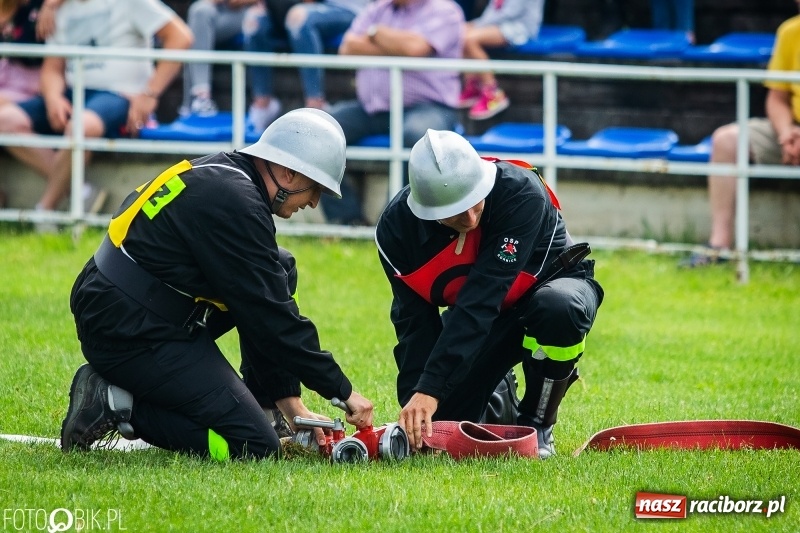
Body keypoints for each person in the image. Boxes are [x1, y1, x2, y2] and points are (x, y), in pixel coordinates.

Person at [61, 108, 375, 460]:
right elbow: (273, 320)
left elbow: (263, 306)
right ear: (288, 173)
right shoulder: (235, 203)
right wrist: (344, 392)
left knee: (279, 268)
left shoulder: (227, 177)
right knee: (254, 446)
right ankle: (112, 401)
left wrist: (290, 405)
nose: (315, 201)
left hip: (132, 307)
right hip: (126, 328)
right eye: (315, 188)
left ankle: (265, 406)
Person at [375, 129, 604, 458]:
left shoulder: (520, 192)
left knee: (558, 308)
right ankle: (499, 395)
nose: (469, 218)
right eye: (455, 212)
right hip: (486, 314)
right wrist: (417, 404)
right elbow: (414, 322)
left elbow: (481, 299)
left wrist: (431, 387)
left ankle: (538, 423)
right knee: (444, 420)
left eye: (474, 202)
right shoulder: (395, 232)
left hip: (549, 289)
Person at [0, 0, 192, 219]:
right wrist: (53, 97)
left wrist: (150, 94)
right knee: (5, 120)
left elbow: (181, 37)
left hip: (121, 95)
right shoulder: (60, 9)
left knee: (81, 125)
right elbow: (52, 69)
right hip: (74, 93)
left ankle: (46, 211)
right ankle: (80, 192)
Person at [320, 0, 465, 226]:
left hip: (429, 107)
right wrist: (396, 45)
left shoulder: (445, 10)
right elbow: (347, 48)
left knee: (418, 137)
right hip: (373, 109)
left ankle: (395, 222)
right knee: (320, 130)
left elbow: (415, 48)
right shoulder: (378, 8)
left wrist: (374, 32)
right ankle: (347, 221)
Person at [682, 5, 800, 267]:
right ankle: (719, 246)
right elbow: (777, 98)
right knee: (727, 140)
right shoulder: (791, 31)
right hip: (792, 130)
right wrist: (786, 134)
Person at [457, 0, 544, 120]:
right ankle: (473, 86)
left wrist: (476, 25)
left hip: (520, 28)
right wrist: (472, 25)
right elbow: (492, 12)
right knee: (459, 33)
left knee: (469, 39)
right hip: (497, 25)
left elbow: (509, 13)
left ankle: (492, 93)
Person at [180, 0, 260, 117]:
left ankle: (191, 103)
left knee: (256, 18)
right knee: (199, 10)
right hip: (219, 10)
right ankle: (200, 97)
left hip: (251, 11)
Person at [284, 0, 368, 110]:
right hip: (322, 7)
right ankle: (262, 103)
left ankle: (315, 104)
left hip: (355, 10)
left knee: (299, 18)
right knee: (256, 21)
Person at [0, 0, 61, 106]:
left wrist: (50, 5)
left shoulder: (47, 7)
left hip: (36, 83)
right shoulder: (9, 7)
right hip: (7, 75)